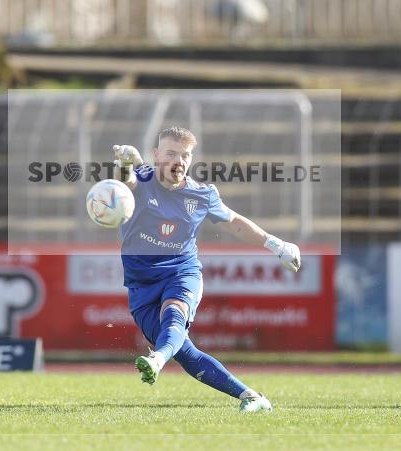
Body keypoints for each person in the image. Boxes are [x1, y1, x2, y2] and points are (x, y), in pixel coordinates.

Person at [113, 127, 301, 413]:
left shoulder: (202, 195)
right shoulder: (142, 179)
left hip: (181, 272)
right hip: (141, 286)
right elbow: (124, 182)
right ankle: (252, 397)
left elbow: (234, 222)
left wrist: (277, 245)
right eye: (171, 153)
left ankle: (157, 360)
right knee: (185, 353)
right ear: (156, 155)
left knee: (174, 316)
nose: (178, 161)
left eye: (185, 155)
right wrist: (126, 165)